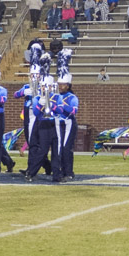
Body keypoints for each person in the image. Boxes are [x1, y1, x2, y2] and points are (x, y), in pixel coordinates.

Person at [51, 50, 78, 182]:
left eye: (63, 84)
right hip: (57, 123)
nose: (60, 86)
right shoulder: (55, 96)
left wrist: (61, 107)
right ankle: (59, 171)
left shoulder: (72, 97)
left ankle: (69, 171)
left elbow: (73, 111)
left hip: (68, 124)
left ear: (68, 85)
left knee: (66, 148)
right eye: (59, 84)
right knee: (58, 148)